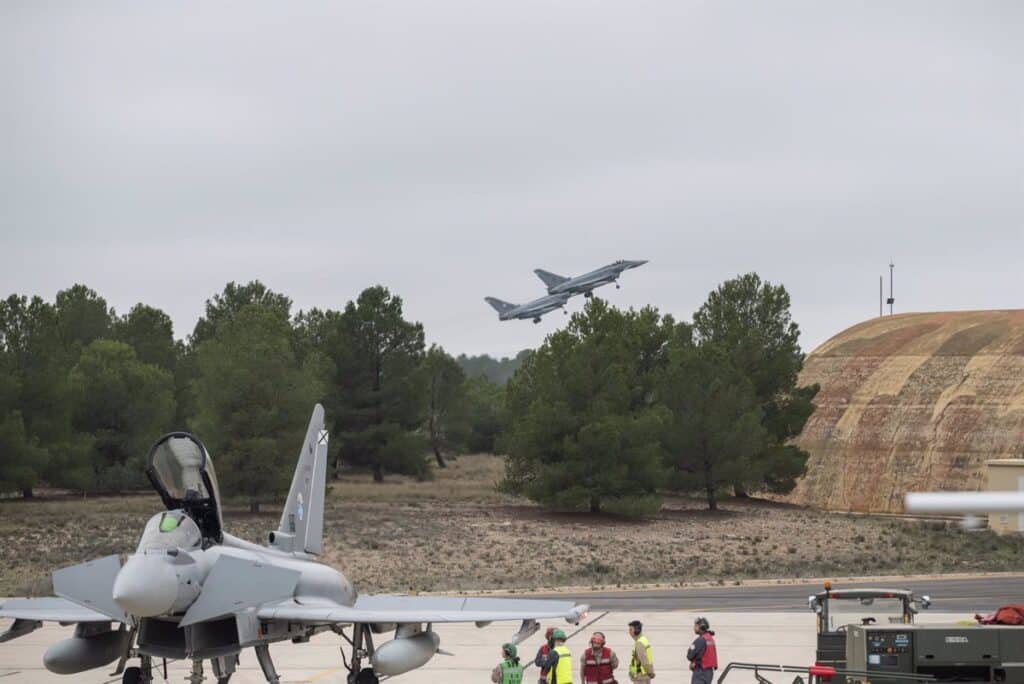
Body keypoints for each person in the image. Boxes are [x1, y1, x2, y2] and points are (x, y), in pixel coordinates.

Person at [686, 617, 718, 684]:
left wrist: (693, 661)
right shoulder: (710, 638)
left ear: (701, 627)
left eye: (696, 626)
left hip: (700, 672)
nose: (694, 628)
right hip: (709, 672)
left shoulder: (700, 640)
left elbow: (689, 655)